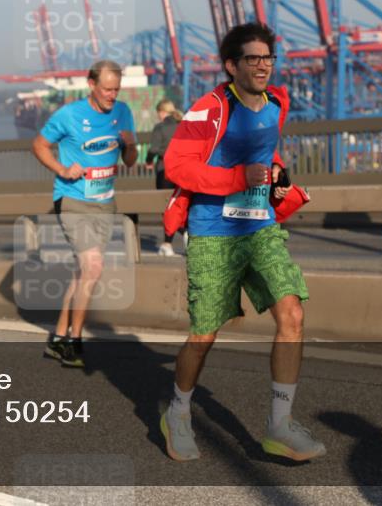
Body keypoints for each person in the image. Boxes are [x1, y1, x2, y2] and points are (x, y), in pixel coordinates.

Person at [159, 23, 324, 463]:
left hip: (260, 226)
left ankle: (280, 426)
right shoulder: (210, 108)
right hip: (214, 232)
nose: (263, 65)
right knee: (204, 334)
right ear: (232, 65)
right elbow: (176, 165)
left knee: (292, 313)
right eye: (252, 58)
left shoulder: (275, 104)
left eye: (268, 57)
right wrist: (235, 178)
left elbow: (265, 154)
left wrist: (281, 181)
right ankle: (177, 412)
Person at [31, 60, 138, 368]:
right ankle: (74, 343)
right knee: (93, 266)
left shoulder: (123, 112)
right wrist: (63, 169)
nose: (112, 95)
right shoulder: (69, 115)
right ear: (91, 85)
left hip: (104, 203)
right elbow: (38, 146)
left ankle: (58, 337)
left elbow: (130, 161)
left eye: (116, 89)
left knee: (83, 273)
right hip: (72, 199)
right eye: (107, 89)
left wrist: (130, 146)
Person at [146, 98, 185, 256]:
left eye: (158, 113)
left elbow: (154, 149)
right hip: (183, 171)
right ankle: (186, 233)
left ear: (162, 112)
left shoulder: (160, 127)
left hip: (165, 171)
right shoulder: (183, 124)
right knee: (181, 205)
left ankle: (168, 243)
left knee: (166, 207)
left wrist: (148, 161)